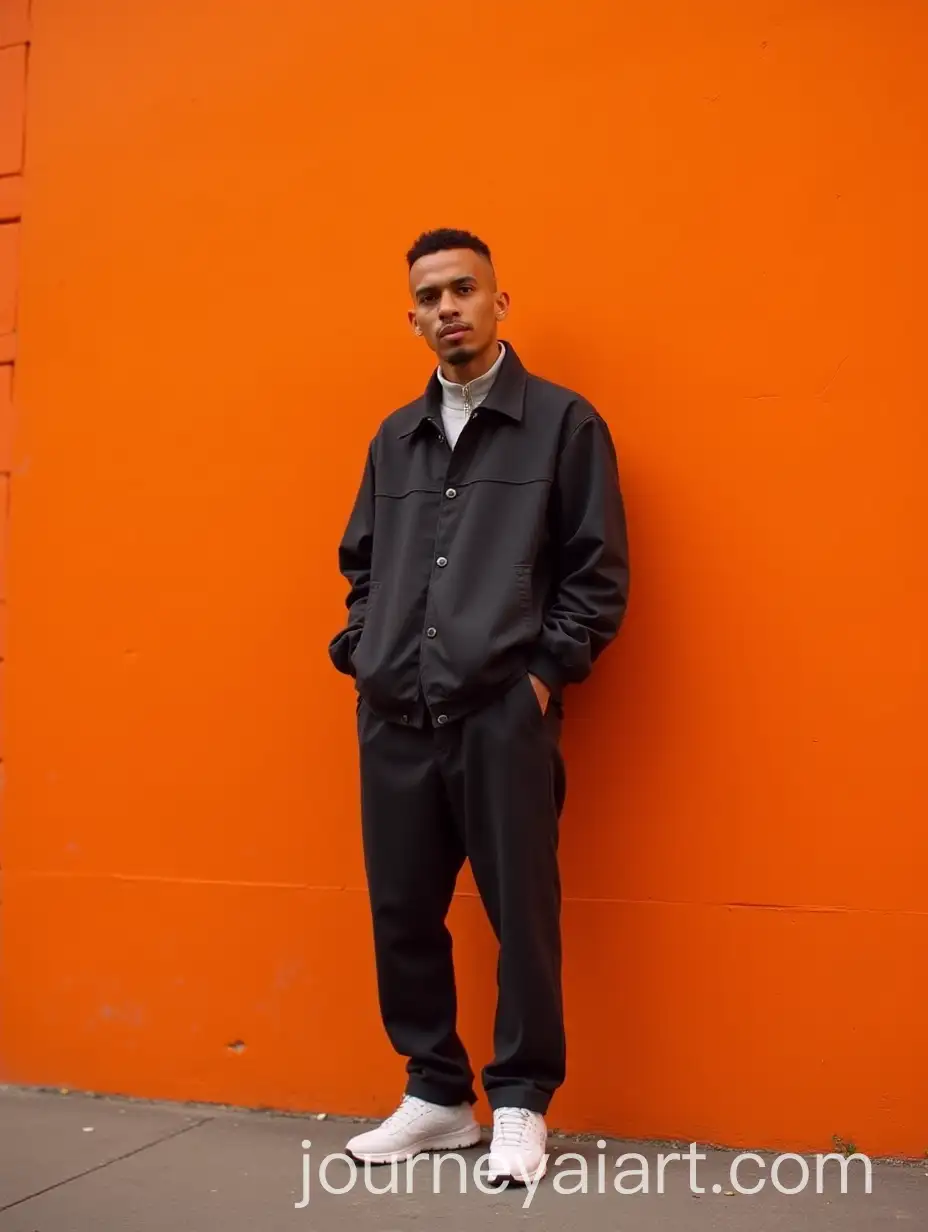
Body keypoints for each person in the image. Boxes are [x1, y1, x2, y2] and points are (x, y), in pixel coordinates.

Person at [328, 228, 630, 1185]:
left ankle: (522, 1104)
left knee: (521, 914)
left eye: (465, 289)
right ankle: (435, 1095)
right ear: (412, 317)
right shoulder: (394, 437)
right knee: (403, 909)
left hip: (502, 711)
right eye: (430, 296)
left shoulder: (563, 424)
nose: (448, 307)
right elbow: (363, 564)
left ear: (502, 302)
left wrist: (541, 675)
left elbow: (596, 572)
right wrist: (361, 647)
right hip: (394, 712)